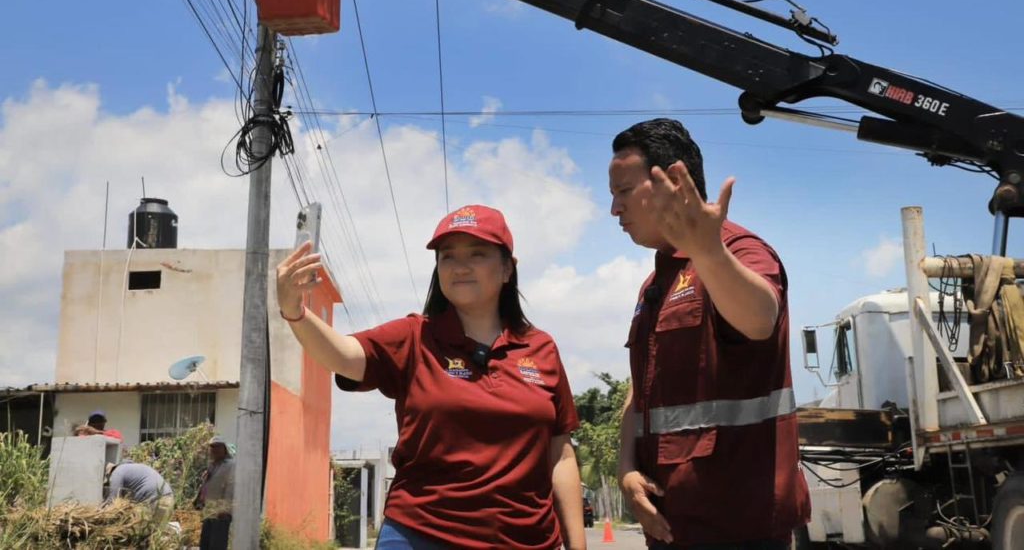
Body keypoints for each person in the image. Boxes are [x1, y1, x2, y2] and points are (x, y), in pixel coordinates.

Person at [277, 204, 585, 550]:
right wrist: (294, 311)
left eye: (477, 253)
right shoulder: (414, 336)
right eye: (447, 256)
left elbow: (560, 454)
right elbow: (344, 355)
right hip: (421, 535)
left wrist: (578, 545)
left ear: (507, 269)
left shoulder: (541, 348)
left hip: (527, 541)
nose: (460, 266)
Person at [608, 119, 810, 549]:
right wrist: (626, 469)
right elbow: (641, 390)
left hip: (740, 529)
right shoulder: (654, 285)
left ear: (672, 180)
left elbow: (760, 318)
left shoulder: (737, 251)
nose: (614, 209)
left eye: (623, 191)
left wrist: (707, 251)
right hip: (672, 528)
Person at [103, 461, 175, 527]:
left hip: (155, 500)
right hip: (168, 498)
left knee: (137, 528)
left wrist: (103, 511)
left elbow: (113, 499)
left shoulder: (117, 472)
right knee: (158, 530)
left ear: (109, 473)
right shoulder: (132, 468)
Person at [193, 435, 235, 550]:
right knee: (205, 543)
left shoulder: (230, 465)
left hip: (221, 512)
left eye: (218, 447)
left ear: (224, 449)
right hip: (209, 510)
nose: (214, 450)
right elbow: (207, 486)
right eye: (212, 447)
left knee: (217, 544)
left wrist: (224, 509)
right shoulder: (212, 465)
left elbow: (230, 488)